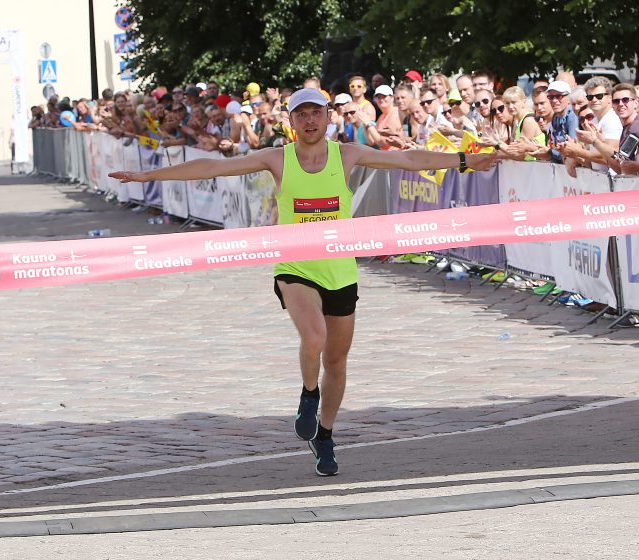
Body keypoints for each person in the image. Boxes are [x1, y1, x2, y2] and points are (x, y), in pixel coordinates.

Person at [108, 88, 498, 477]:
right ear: (290, 122)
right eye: (302, 114)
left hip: (340, 270)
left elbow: (409, 159)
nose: (310, 121)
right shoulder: (277, 159)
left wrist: (464, 159)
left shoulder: (347, 154)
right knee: (314, 338)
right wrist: (149, 175)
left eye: (316, 113)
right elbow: (212, 167)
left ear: (328, 117)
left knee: (337, 361)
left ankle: (324, 435)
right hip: (295, 268)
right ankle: (308, 394)